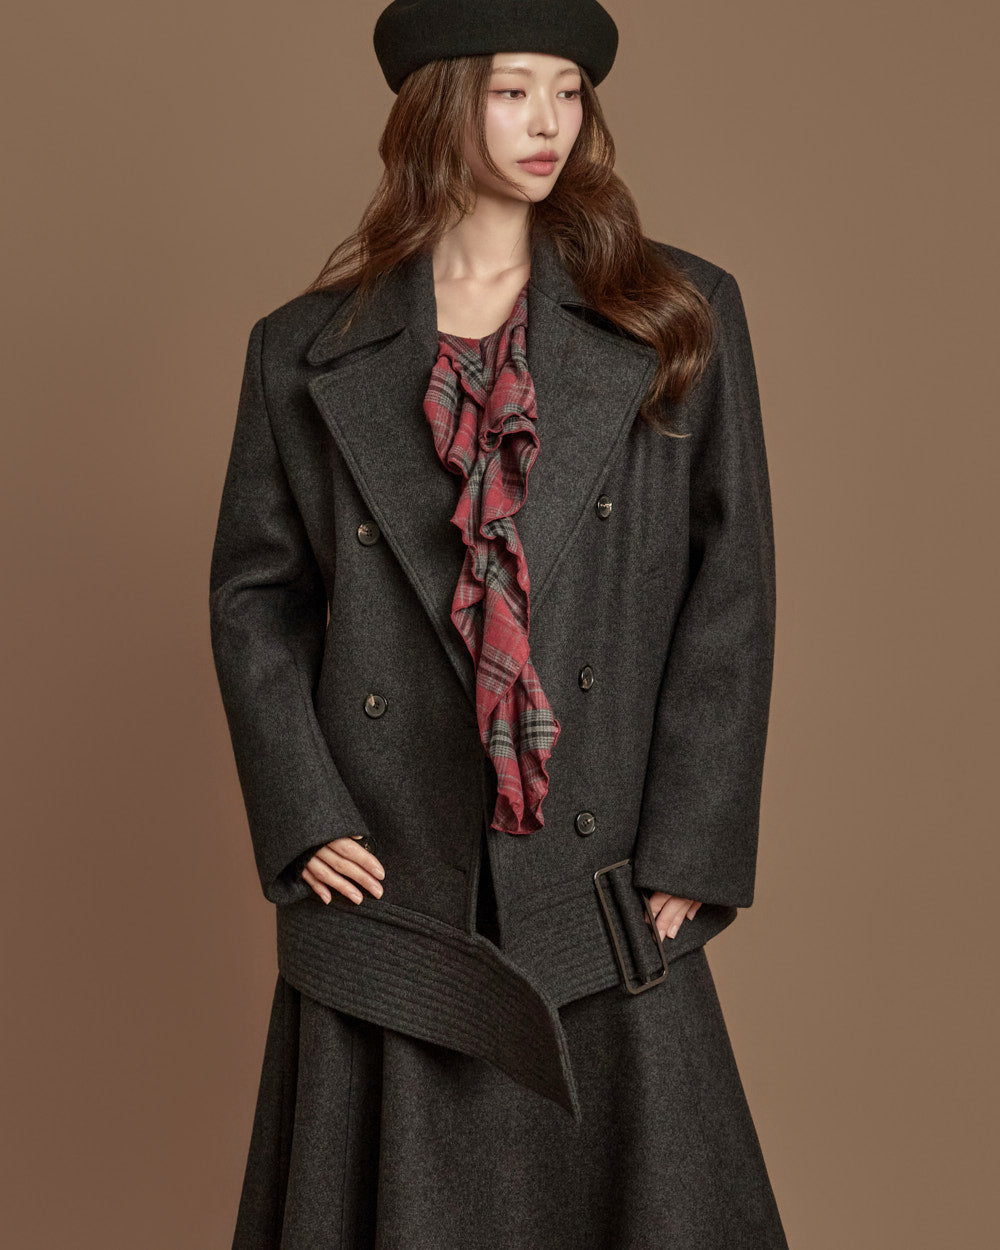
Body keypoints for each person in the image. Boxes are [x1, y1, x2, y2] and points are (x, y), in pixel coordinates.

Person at [209, 1, 789, 1245]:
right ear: (438, 103)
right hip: (396, 879)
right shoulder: (303, 350)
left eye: (568, 90)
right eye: (513, 89)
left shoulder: (674, 311)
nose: (548, 123)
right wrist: (306, 809)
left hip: (598, 872)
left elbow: (729, 581)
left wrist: (695, 836)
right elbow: (256, 597)